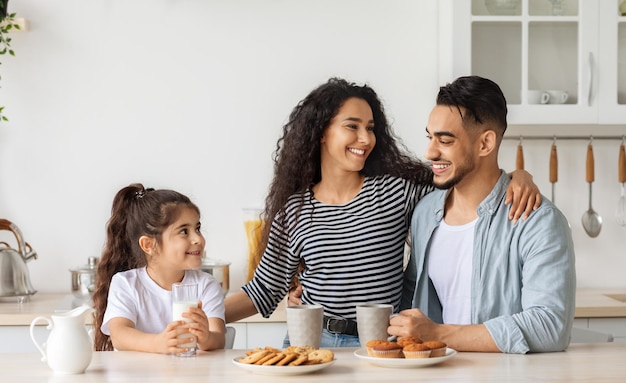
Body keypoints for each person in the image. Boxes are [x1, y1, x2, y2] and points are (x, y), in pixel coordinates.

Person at [225, 77, 540, 348]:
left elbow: (466, 183)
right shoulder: (295, 210)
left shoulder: (396, 193)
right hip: (309, 342)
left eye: (371, 128)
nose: (365, 139)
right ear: (322, 131)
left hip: (381, 344)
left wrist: (517, 176)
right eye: (353, 126)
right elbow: (264, 290)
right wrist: (197, 316)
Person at [390, 75, 576, 354]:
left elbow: (550, 326)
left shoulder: (537, 221)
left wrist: (438, 334)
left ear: (485, 144)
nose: (430, 151)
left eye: (445, 140)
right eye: (430, 137)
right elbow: (412, 299)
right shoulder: (425, 213)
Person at [93, 183, 226, 353]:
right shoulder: (126, 284)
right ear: (149, 245)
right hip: (138, 378)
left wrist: (206, 337)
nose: (198, 239)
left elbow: (219, 338)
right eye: (184, 231)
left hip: (189, 378)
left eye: (197, 228)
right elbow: (119, 335)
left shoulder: (206, 285)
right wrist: (158, 343)